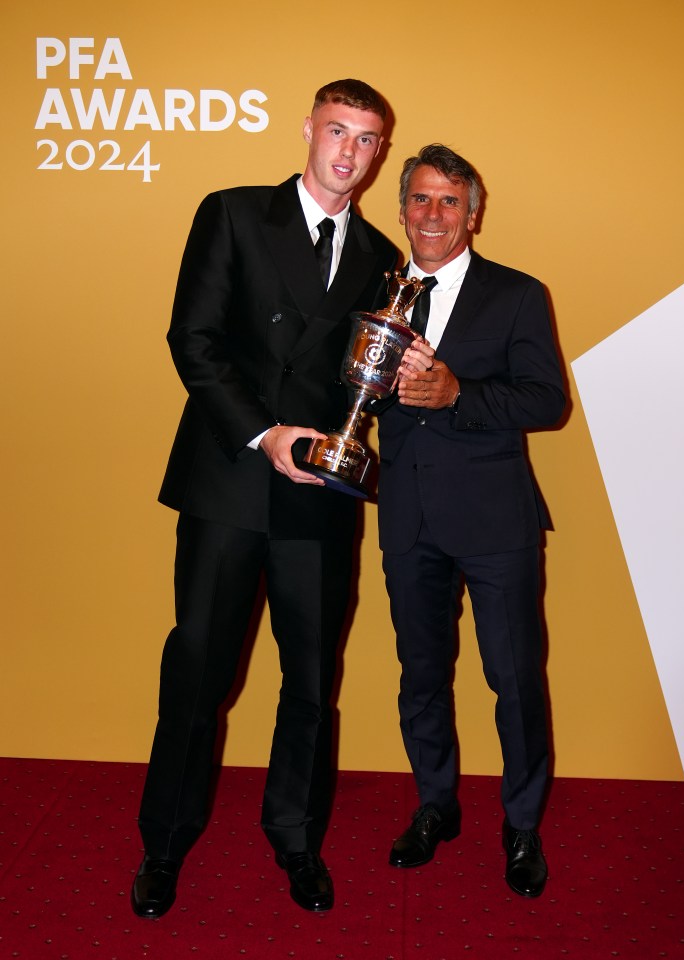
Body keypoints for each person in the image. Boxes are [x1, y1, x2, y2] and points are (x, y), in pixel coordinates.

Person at [131, 79, 397, 919]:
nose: (347, 151)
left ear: (379, 152)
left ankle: (295, 838)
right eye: (337, 131)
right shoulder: (235, 213)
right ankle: (164, 846)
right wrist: (265, 434)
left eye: (365, 139)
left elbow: (359, 388)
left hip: (317, 495)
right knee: (197, 672)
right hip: (230, 478)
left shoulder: (383, 261)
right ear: (308, 130)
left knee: (311, 682)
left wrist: (406, 383)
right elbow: (194, 339)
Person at [374, 144, 565, 898]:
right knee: (421, 677)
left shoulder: (517, 294)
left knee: (513, 680)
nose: (431, 214)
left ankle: (521, 826)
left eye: (448, 202)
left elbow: (545, 402)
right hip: (407, 517)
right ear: (400, 210)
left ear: (473, 214)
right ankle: (434, 806)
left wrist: (457, 393)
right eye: (419, 199)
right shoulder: (378, 294)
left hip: (495, 522)